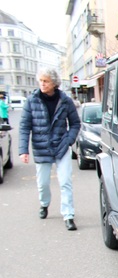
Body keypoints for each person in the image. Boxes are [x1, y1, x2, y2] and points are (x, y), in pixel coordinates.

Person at [18, 68, 81, 231]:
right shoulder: (32, 100)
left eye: (45, 81)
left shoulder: (65, 100)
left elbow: (75, 123)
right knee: (43, 184)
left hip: (61, 147)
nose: (42, 84)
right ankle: (44, 204)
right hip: (41, 148)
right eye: (41, 81)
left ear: (54, 83)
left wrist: (68, 140)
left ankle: (68, 215)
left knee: (65, 182)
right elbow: (24, 126)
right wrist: (23, 150)